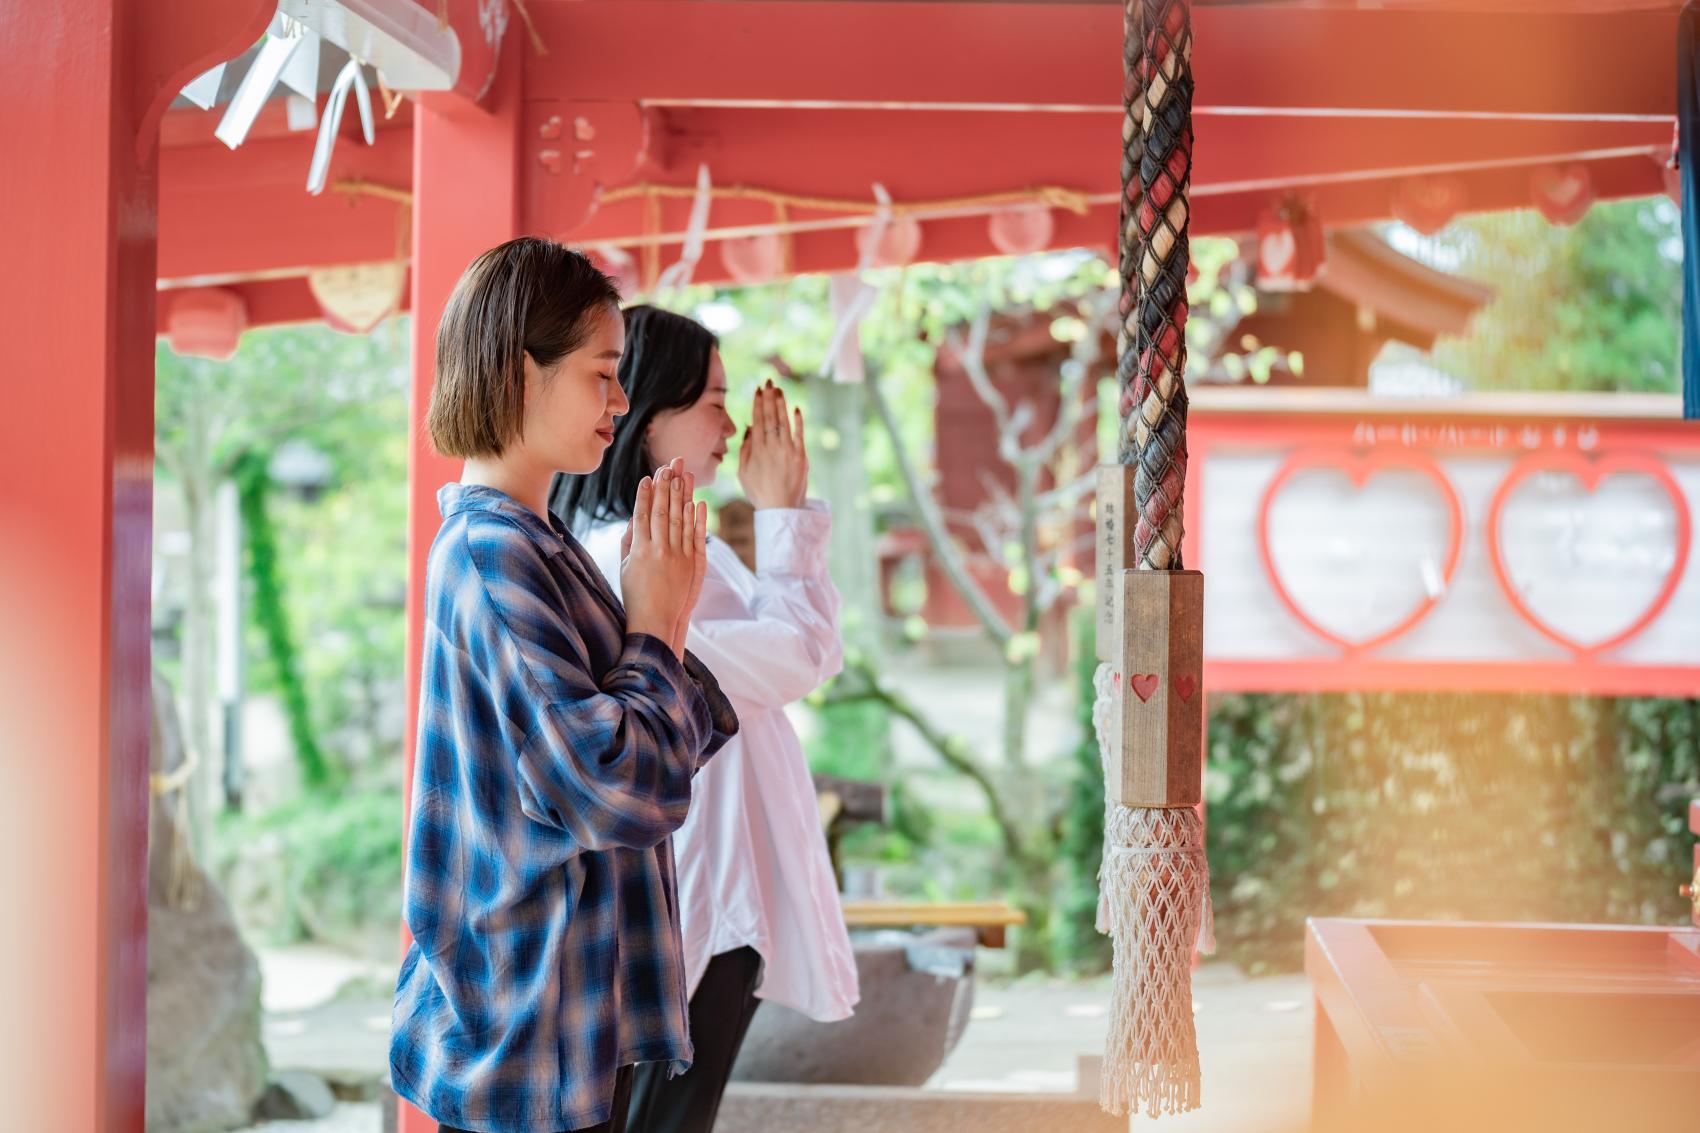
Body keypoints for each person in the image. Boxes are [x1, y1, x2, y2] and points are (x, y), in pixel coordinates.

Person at [390, 241, 739, 1133]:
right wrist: (657, 622)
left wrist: (660, 624)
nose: (619, 404)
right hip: (523, 1026)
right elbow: (617, 785)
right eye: (601, 373)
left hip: (561, 1020)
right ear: (520, 373)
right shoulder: (495, 552)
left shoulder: (536, 544)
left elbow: (664, 746)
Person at [552, 306, 859, 1133]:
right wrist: (783, 513)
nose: (730, 424)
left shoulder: (680, 548)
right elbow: (801, 651)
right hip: (694, 901)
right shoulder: (629, 553)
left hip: (710, 897)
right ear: (649, 417)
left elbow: (800, 650)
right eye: (712, 400)